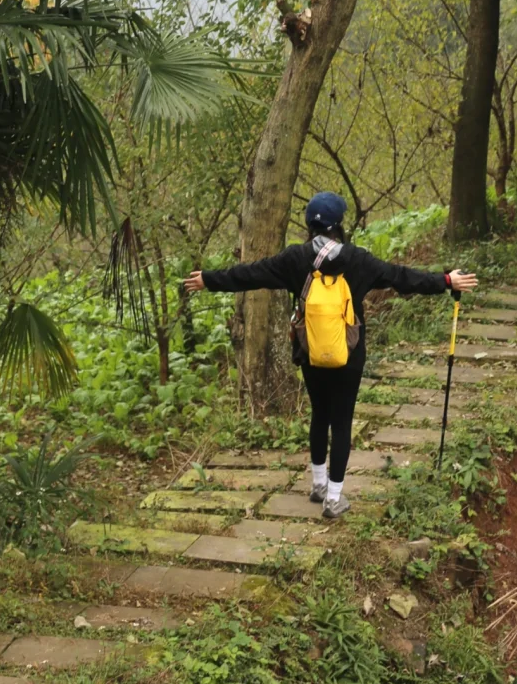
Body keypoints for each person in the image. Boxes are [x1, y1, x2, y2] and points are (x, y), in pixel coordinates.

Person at [183, 191, 477, 519]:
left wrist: (209, 280)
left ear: (310, 226)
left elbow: (252, 274)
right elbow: (401, 277)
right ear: (340, 226)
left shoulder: (295, 259)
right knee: (342, 421)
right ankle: (334, 499)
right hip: (349, 354)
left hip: (310, 351)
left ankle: (319, 485)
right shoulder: (358, 260)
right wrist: (446, 280)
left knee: (320, 414)